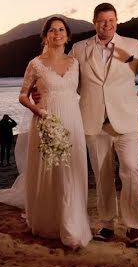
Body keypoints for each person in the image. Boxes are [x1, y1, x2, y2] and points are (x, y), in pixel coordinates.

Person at [71, 3, 138, 246]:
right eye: (102, 20)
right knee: (102, 175)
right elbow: (69, 81)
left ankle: (133, 226)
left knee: (131, 169)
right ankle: (106, 224)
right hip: (93, 121)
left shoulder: (132, 46)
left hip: (126, 121)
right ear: (94, 22)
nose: (107, 24)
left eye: (111, 20)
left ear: (116, 20)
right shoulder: (79, 49)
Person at [18, 17, 92, 249]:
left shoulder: (76, 63)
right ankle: (51, 222)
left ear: (68, 36)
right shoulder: (35, 63)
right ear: (46, 36)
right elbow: (23, 95)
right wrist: (37, 109)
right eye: (52, 30)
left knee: (73, 171)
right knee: (52, 173)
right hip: (47, 121)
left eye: (61, 29)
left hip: (72, 120)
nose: (57, 33)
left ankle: (72, 223)